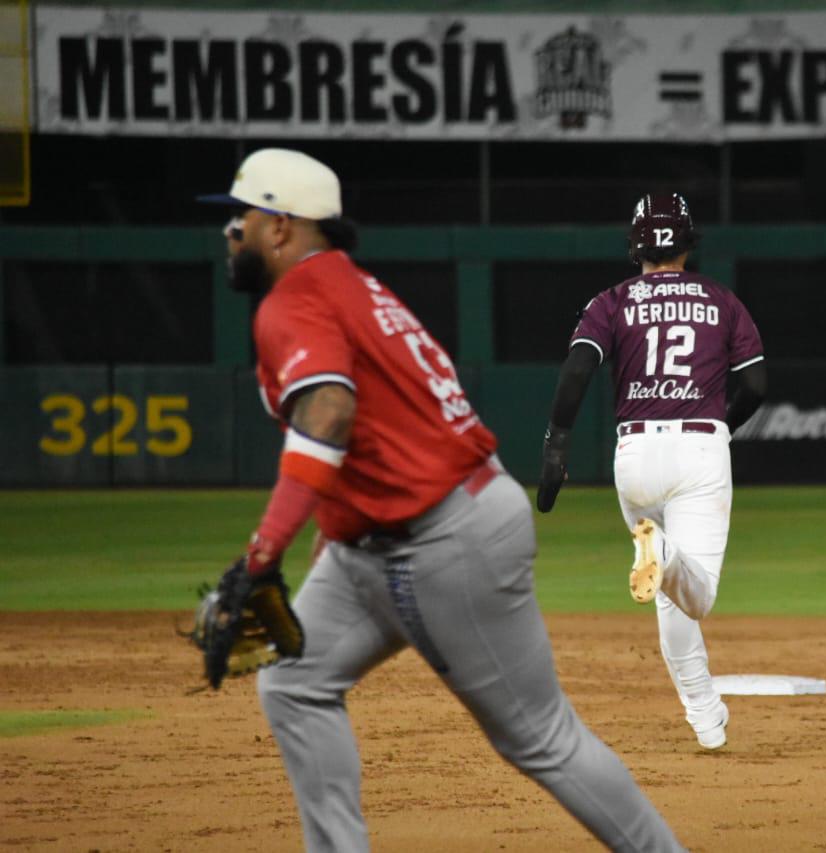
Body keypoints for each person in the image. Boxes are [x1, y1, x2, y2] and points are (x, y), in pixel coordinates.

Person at [198, 148, 684, 853]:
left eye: (242, 216)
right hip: (384, 538)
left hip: (445, 535)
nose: (231, 233)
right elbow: (373, 437)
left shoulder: (295, 300)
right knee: (294, 684)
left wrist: (261, 553)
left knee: (540, 737)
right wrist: (324, 537)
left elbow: (330, 413)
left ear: (282, 227)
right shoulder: (354, 288)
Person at [536, 192, 767, 751]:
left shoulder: (612, 301)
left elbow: (576, 371)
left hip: (634, 455)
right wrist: (720, 429)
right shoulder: (720, 299)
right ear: (689, 241)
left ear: (635, 244)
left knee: (668, 596)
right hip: (698, 447)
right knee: (697, 595)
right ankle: (660, 553)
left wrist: (556, 446)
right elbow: (755, 386)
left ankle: (705, 717)